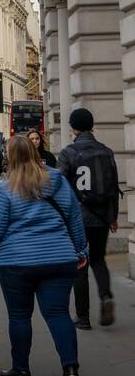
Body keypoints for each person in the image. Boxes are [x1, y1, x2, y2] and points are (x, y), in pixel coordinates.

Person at [0, 134, 87, 376]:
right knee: (59, 314)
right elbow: (74, 216)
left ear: (10, 157)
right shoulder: (58, 180)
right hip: (59, 257)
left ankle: (21, 370)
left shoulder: (5, 189)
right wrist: (80, 249)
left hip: (16, 262)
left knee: (19, 316)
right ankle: (71, 370)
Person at [58, 108, 121, 330]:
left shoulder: (69, 153)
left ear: (73, 127)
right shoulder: (107, 152)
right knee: (98, 259)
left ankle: (83, 318)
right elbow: (114, 187)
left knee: (80, 265)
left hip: (78, 217)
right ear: (91, 125)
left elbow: (60, 186)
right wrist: (113, 217)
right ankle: (105, 296)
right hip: (102, 216)